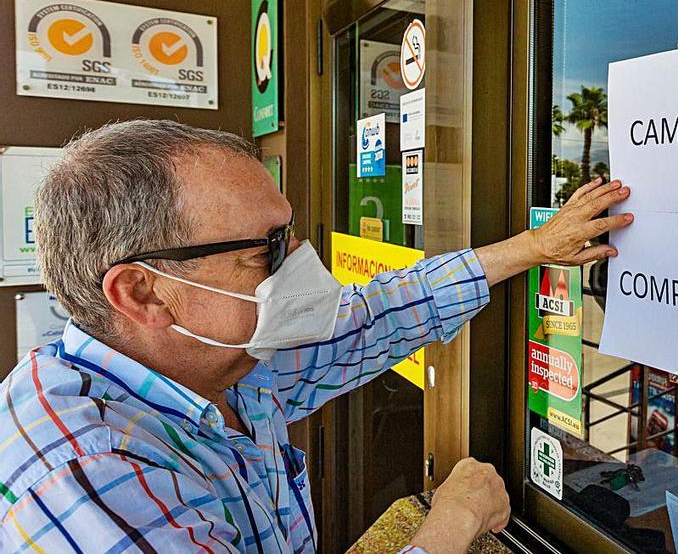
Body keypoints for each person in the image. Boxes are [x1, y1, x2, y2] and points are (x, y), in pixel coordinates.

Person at [0, 120, 633, 553]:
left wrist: (531, 247)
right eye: (267, 248)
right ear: (142, 293)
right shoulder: (87, 477)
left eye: (290, 229)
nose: (301, 257)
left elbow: (379, 315)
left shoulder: (220, 366)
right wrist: (453, 523)